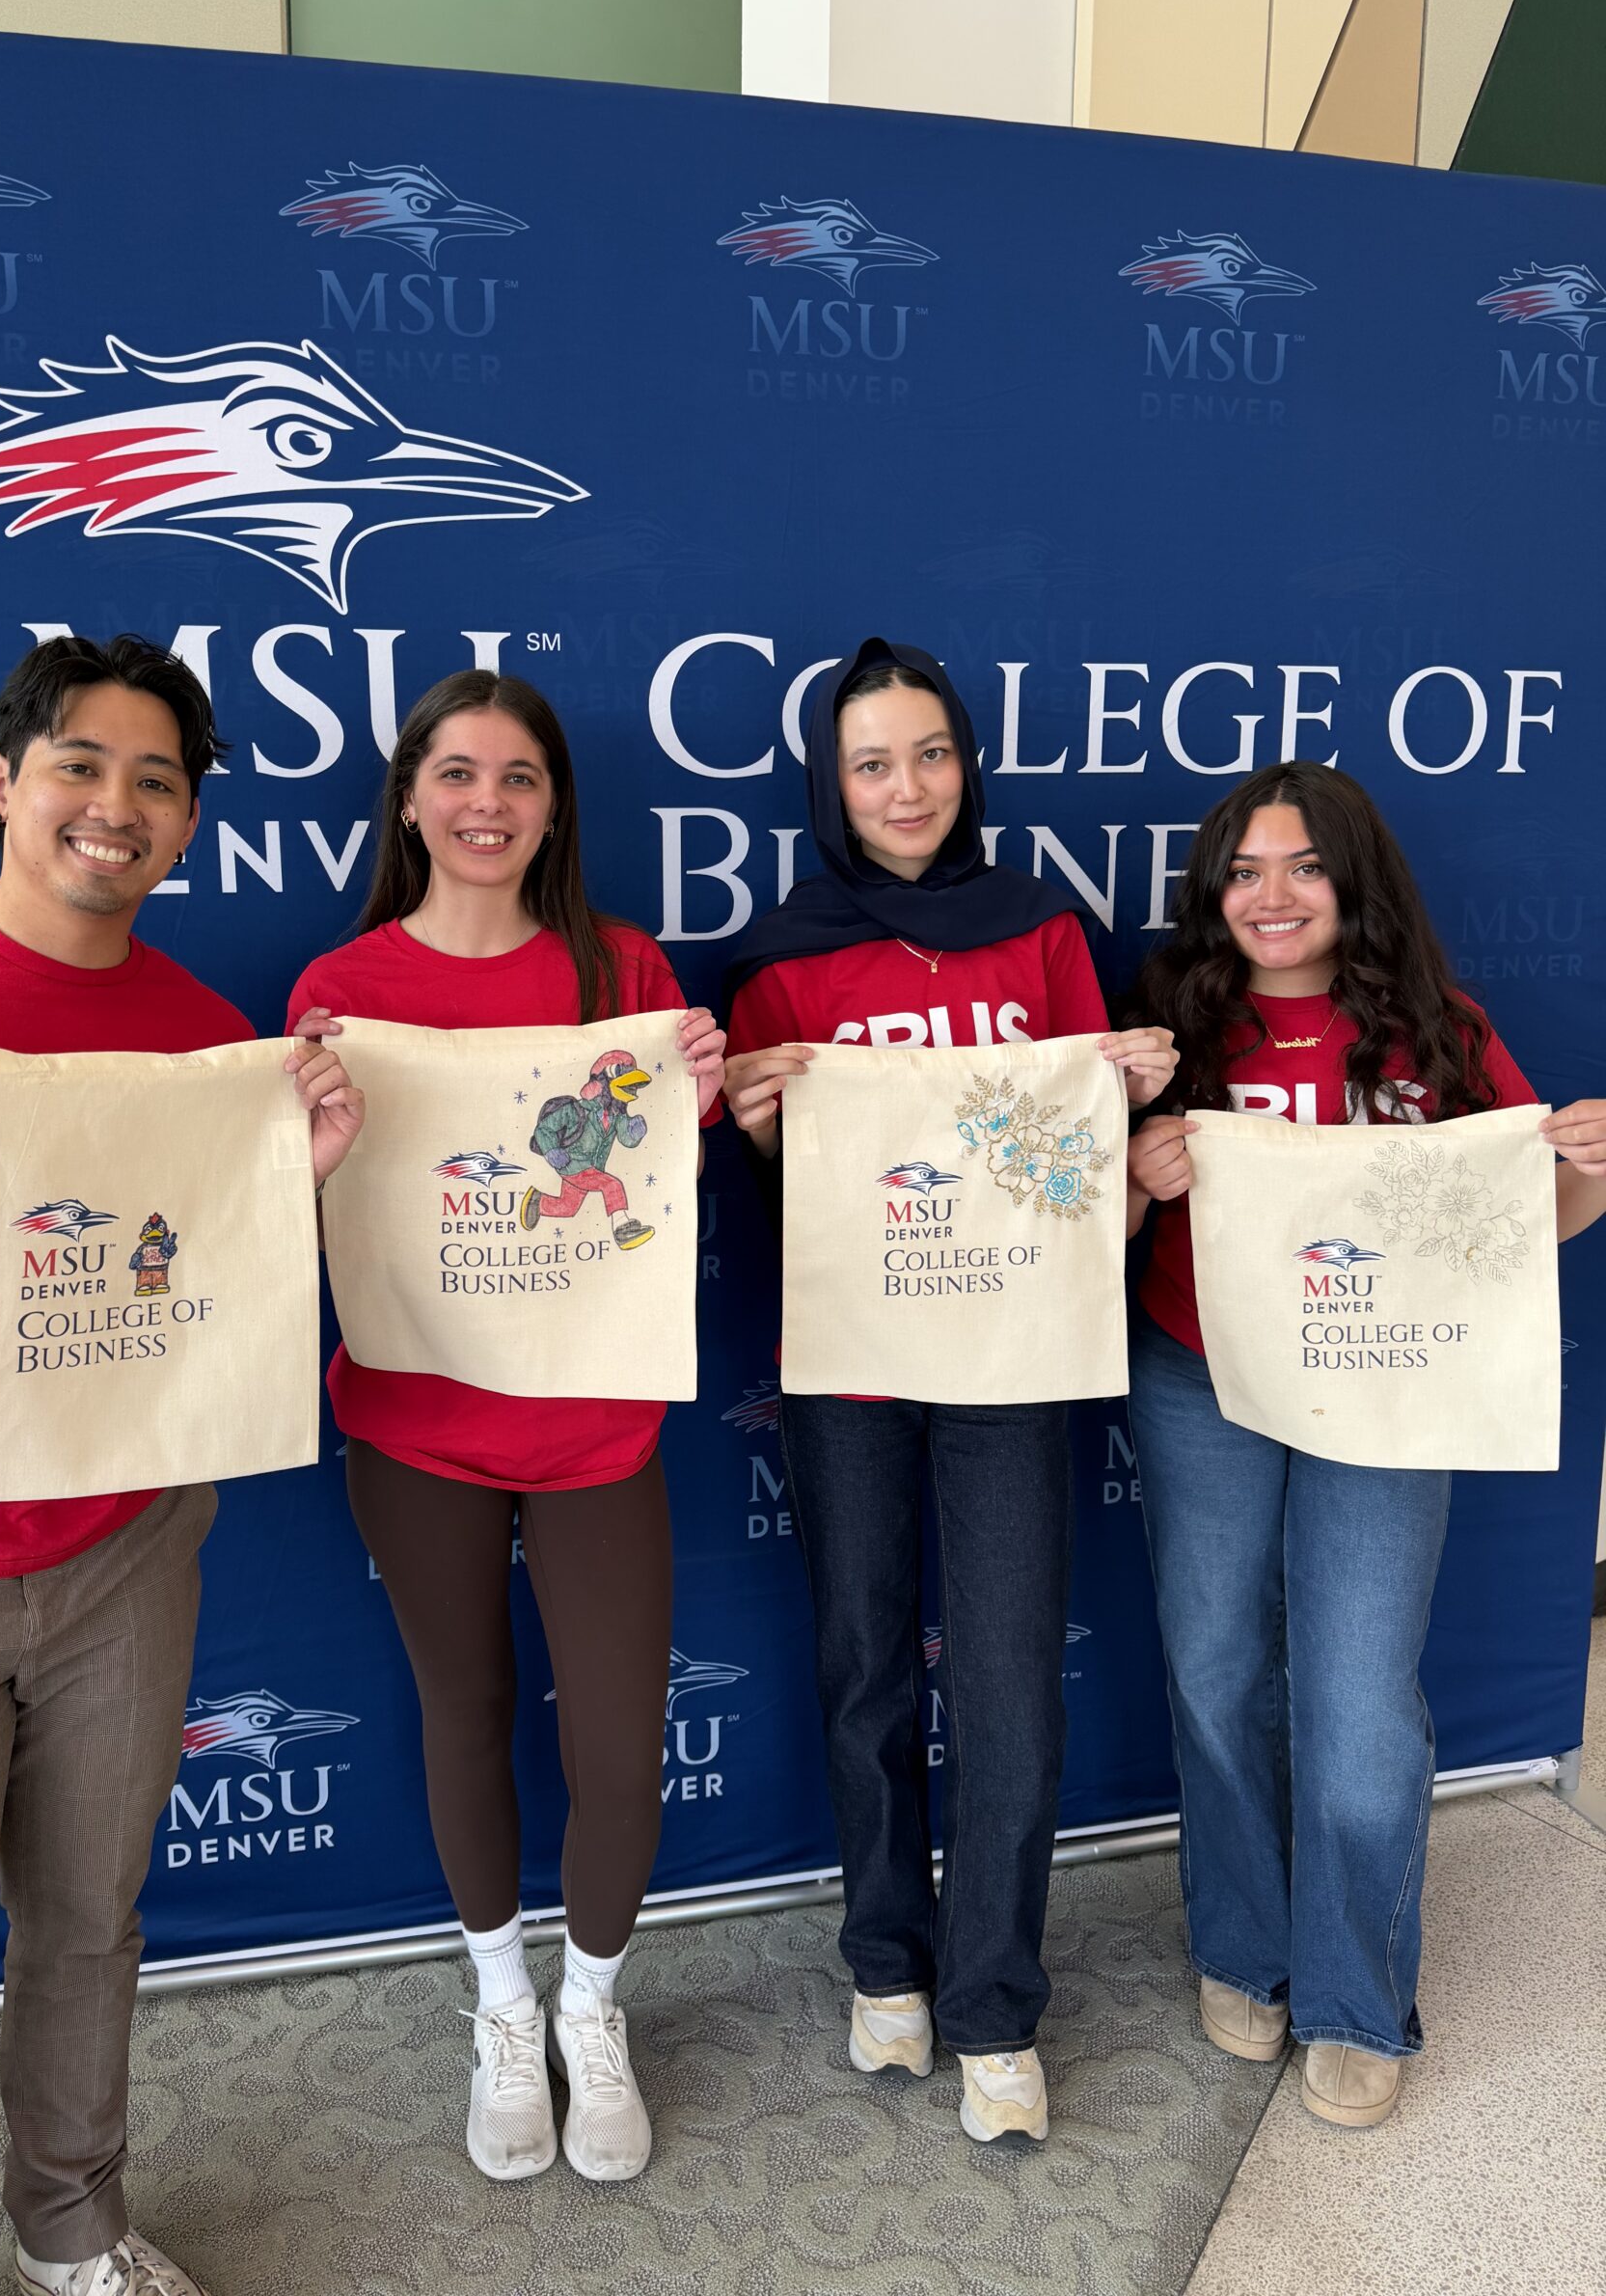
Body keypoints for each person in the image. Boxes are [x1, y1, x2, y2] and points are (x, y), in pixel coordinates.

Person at [0, 635, 365, 2296]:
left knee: (91, 1933)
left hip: (119, 1563)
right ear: (2, 785)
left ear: (187, 824)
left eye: (157, 780)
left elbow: (187, 1309)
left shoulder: (194, 1029)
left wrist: (289, 1181)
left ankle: (72, 2227)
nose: (117, 805)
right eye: (83, 765)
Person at [721, 637, 1176, 2145]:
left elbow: (1067, 1156)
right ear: (828, 786)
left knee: (1000, 1669)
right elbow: (777, 1194)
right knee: (863, 1657)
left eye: (929, 753)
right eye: (870, 763)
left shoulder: (1044, 929)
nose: (905, 787)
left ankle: (994, 2000)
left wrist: (1120, 1094)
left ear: (966, 764)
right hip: (852, 1348)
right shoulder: (782, 957)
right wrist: (769, 1129)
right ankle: (883, 1959)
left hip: (1014, 1349)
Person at [286, 670, 724, 2187]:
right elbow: (309, 1207)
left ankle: (593, 2007)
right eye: (457, 773)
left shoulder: (626, 971)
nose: (487, 803)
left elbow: (655, 1186)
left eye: (520, 776)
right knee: (461, 1712)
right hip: (415, 1422)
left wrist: (700, 1090)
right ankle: (499, 2001)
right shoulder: (340, 991)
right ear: (409, 797)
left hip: (595, 1426)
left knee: (620, 1744)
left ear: (555, 806)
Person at [1122, 760, 1606, 2129]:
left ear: (1353, 880)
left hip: (1388, 1392)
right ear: (1215, 892)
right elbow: (1069, 1215)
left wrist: (1581, 1176)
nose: (1272, 897)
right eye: (1245, 870)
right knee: (1215, 1668)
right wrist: (1138, 1170)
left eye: (1304, 867)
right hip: (1197, 1378)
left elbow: (1525, 1230)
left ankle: (1354, 1991)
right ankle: (1243, 1945)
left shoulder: (1438, 1030)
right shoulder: (1169, 1021)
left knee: (1358, 1694)